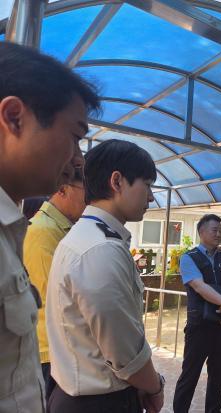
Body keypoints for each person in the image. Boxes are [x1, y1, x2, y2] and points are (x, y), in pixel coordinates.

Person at [0, 41, 99, 412]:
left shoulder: (12, 228)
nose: (78, 160)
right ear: (14, 118)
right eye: (75, 136)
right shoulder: (38, 231)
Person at [46, 140, 164, 413]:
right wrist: (155, 386)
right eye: (147, 184)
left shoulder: (85, 236)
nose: (151, 197)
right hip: (99, 403)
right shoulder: (101, 249)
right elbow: (126, 355)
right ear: (117, 181)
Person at [23, 168, 86, 401]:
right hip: (49, 350)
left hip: (57, 348)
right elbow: (55, 298)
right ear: (62, 189)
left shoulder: (61, 228)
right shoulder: (43, 231)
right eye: (87, 192)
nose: (91, 201)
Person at [173, 214, 221, 413]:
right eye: (214, 230)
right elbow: (199, 286)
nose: (219, 234)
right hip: (199, 327)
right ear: (201, 232)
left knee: (217, 374)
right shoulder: (188, 258)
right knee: (190, 374)